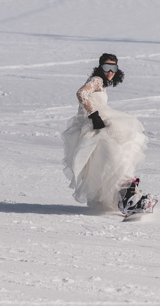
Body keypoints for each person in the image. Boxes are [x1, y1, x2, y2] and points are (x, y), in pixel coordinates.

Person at [62, 53, 148, 213]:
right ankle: (127, 196)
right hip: (93, 126)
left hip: (99, 125)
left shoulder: (102, 83)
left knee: (114, 160)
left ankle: (127, 195)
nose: (109, 71)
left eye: (113, 67)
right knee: (115, 156)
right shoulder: (97, 80)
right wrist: (93, 115)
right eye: (106, 67)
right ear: (100, 67)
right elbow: (81, 93)